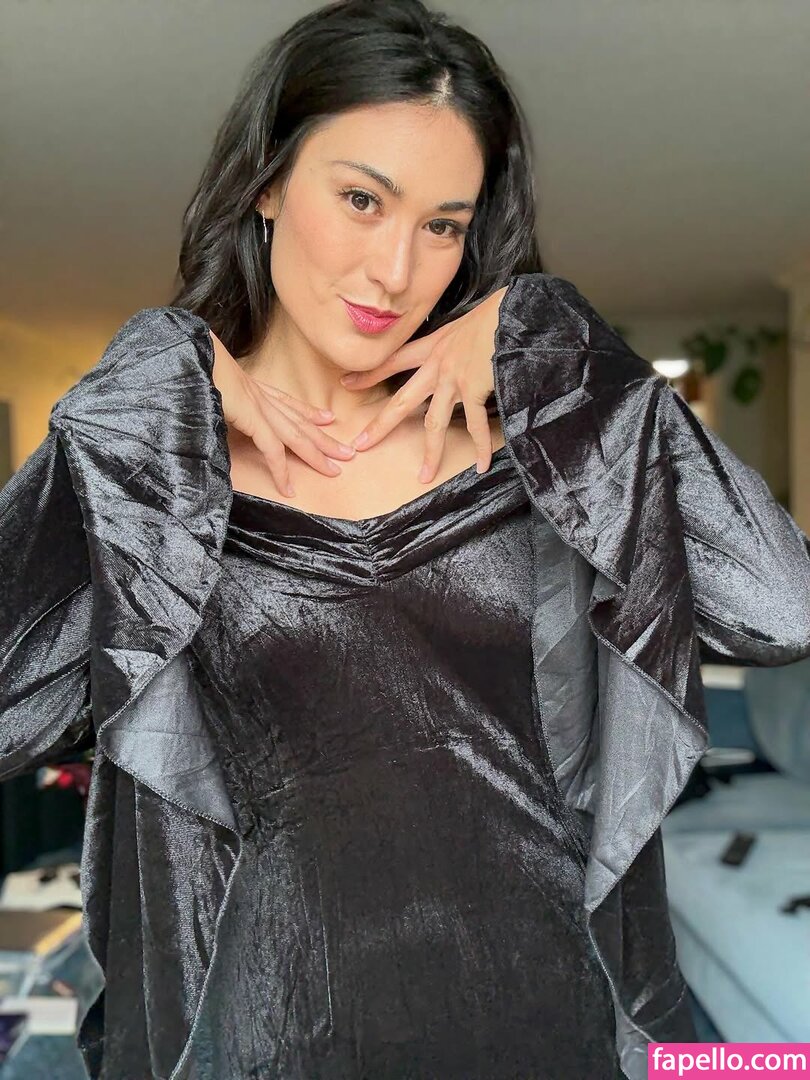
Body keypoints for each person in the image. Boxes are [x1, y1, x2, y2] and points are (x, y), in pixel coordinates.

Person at [2, 2, 809, 1078]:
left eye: (442, 225)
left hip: (542, 1015)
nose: (395, 268)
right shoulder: (161, 466)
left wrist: (555, 334)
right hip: (262, 1035)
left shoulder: (543, 447)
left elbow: (779, 607)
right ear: (267, 183)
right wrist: (150, 374)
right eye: (361, 199)